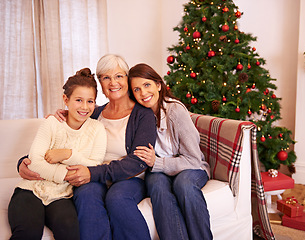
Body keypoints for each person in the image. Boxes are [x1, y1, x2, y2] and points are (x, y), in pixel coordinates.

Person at [17, 54, 157, 240]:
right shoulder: (93, 112)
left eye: (119, 76)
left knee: (117, 199)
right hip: (92, 176)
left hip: (127, 178)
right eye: (106, 77)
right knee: (86, 195)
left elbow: (137, 162)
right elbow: (61, 142)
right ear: (100, 83)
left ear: (127, 78)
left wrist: (93, 173)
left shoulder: (143, 115)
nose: (113, 82)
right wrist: (24, 161)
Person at [8, 68, 107, 240]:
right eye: (78, 100)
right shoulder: (52, 123)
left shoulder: (97, 129)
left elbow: (94, 166)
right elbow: (36, 163)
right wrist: (68, 173)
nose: (85, 107)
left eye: (90, 101)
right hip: (31, 190)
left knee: (70, 232)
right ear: (65, 100)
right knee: (28, 233)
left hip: (62, 196)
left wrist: (67, 154)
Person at [128, 63, 213, 240]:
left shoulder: (175, 111)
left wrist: (156, 163)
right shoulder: (139, 114)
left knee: (184, 185)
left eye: (147, 85)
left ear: (158, 85)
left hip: (190, 168)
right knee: (157, 187)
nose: (143, 93)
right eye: (137, 89)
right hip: (159, 171)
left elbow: (194, 160)